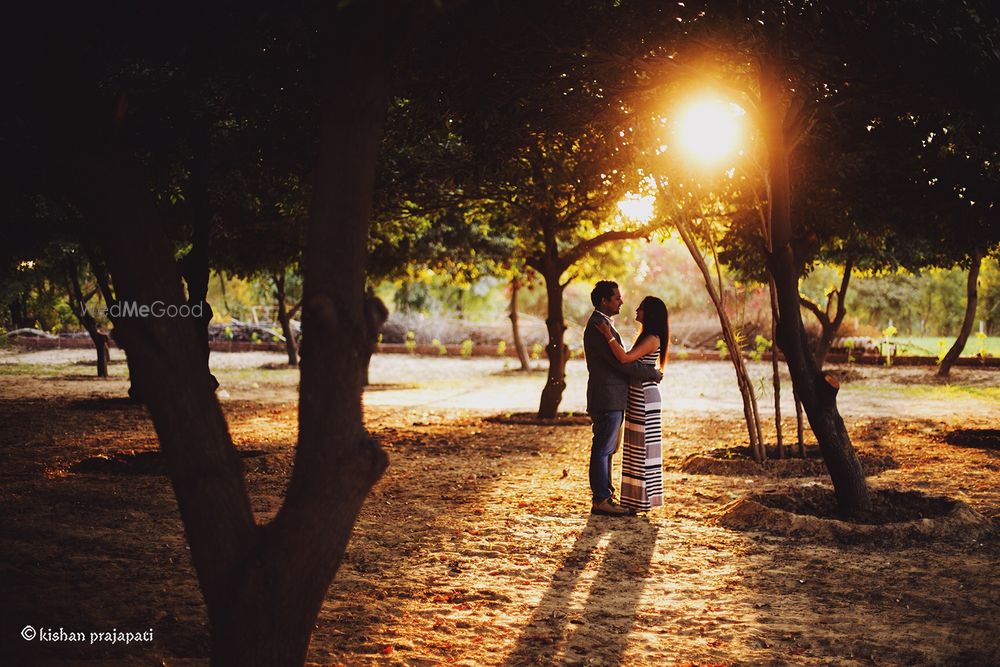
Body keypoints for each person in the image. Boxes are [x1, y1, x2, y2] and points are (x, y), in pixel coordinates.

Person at [584, 281, 663, 517]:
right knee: (603, 449)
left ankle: (605, 496)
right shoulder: (599, 325)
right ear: (604, 302)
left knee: (607, 449)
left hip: (610, 396)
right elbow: (622, 362)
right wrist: (652, 372)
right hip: (607, 397)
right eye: (617, 298)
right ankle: (601, 499)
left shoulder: (603, 324)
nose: (621, 302)